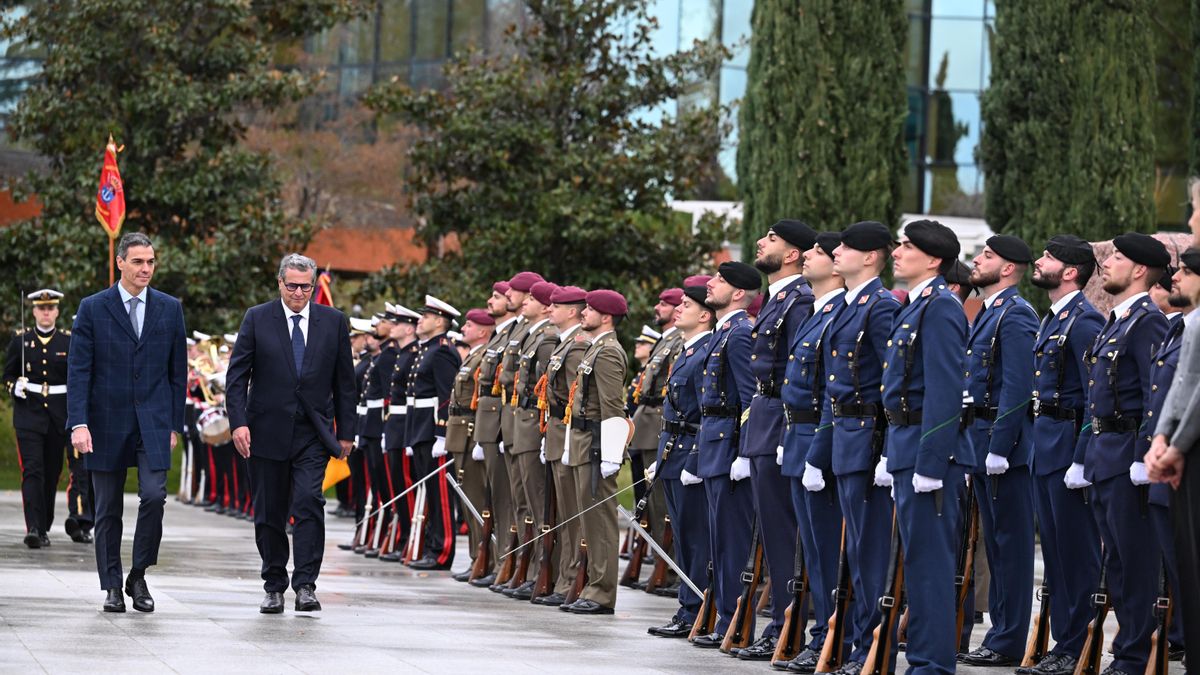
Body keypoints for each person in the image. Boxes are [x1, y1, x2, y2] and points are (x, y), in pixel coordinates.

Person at [225, 253, 356, 614]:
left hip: (313, 432)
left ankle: (306, 585)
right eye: (292, 285)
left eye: (306, 286)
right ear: (280, 283)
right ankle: (273, 583)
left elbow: (346, 381)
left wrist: (346, 432)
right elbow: (237, 377)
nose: (299, 292)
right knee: (269, 512)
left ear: (313, 286)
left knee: (309, 503)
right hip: (265, 430)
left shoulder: (333, 321)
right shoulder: (257, 318)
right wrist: (238, 423)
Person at [67, 232, 187, 613]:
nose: (145, 269)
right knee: (107, 509)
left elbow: (177, 373)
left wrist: (173, 424)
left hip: (152, 420)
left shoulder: (169, 309)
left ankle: (138, 574)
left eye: (151, 261)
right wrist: (78, 423)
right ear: (120, 262)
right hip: (104, 422)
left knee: (154, 496)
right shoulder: (93, 307)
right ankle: (112, 586)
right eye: (138, 261)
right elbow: (79, 371)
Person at [808, 221, 901, 674]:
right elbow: (832, 385)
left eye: (845, 247)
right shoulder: (849, 305)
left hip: (868, 439)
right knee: (857, 553)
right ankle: (855, 644)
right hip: (845, 437)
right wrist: (818, 452)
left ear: (869, 257)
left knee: (871, 554)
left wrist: (885, 449)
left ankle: (871, 648)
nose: (836, 252)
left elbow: (891, 381)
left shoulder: (880, 306)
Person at [881, 219, 974, 673]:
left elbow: (945, 388)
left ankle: (931, 665)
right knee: (916, 563)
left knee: (930, 565)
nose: (897, 252)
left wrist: (932, 461)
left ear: (934, 259)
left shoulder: (939, 307)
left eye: (906, 246)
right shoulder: (914, 306)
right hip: (905, 444)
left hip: (925, 450)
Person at [1082, 232, 1169, 675]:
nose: (1106, 263)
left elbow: (1156, 393)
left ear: (1138, 270)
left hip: (1126, 456)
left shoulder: (1147, 322)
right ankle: (1128, 650)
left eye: (1116, 257)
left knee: (1135, 563)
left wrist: (1142, 454)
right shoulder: (1116, 321)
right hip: (1104, 453)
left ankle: (1134, 657)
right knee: (1115, 560)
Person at [1019, 235, 1105, 675]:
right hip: (1045, 445)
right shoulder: (1055, 319)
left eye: (1049, 257)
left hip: (1068, 447)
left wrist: (1082, 456)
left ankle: (1076, 645)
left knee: (1075, 554)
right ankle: (1063, 642)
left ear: (1070, 271)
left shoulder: (1083, 322)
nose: (1039, 261)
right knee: (1055, 553)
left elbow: (1096, 396)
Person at [736, 220, 816, 660]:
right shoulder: (776, 300)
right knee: (772, 530)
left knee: (786, 532)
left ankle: (789, 625)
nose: (760, 242)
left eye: (770, 238)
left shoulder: (798, 300)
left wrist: (786, 430)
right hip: (764, 419)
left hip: (781, 421)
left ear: (791, 254)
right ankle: (782, 623)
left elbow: (799, 373)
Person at [958, 235, 1040, 667]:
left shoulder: (1015, 315)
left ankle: (1007, 639)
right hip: (983, 439)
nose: (977, 259)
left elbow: (1017, 388)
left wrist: (1001, 447)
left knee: (1011, 545)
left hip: (1004, 447)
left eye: (987, 256)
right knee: (997, 540)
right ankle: (1000, 635)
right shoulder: (991, 312)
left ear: (1008, 268)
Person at [778, 230, 849, 671]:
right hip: (798, 434)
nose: (807, 257)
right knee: (812, 549)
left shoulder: (839, 314)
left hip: (820, 440)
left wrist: (817, 454)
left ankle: (829, 633)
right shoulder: (814, 312)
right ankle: (820, 632)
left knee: (826, 549)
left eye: (819, 253)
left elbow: (831, 392)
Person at [691, 261, 760, 648]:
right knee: (719, 540)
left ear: (737, 293)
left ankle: (735, 622)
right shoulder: (723, 332)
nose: (710, 284)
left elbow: (749, 397)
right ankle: (722, 617)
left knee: (732, 540)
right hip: (714, 443)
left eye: (719, 280)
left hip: (729, 445)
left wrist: (743, 450)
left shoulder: (739, 334)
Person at [647, 283, 714, 638]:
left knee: (694, 536)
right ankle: (688, 608)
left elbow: (708, 411)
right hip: (673, 446)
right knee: (684, 535)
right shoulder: (688, 350)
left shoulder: (706, 352)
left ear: (705, 315)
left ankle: (698, 610)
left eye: (686, 305)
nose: (678, 309)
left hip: (690, 449)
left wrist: (696, 459)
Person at [560, 289, 629, 615]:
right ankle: (591, 585)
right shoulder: (594, 350)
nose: (583, 313)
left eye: (589, 309)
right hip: (583, 442)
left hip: (596, 446)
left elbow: (613, 407)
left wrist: (613, 455)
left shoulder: (608, 352)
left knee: (600, 524)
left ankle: (602, 593)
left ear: (606, 316)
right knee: (589, 522)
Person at [1147, 244, 1200, 672]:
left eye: (1183, 271)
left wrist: (1174, 445)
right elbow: (1178, 387)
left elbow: (1194, 393)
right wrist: (1162, 440)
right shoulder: (1183, 325)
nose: (1174, 279)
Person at [6, 289, 91, 547]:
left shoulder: (68, 341)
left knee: (52, 472)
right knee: (32, 470)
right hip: (29, 414)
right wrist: (14, 386)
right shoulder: (20, 341)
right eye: (41, 308)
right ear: (33, 311)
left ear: (56, 311)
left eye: (50, 308)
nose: (45, 312)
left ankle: (44, 524)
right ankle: (34, 527)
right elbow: (7, 375)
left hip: (59, 414)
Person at [529, 285, 590, 606]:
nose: (549, 309)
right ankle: (562, 579)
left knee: (570, 515)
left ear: (572, 311)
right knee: (561, 512)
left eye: (556, 306)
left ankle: (571, 579)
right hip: (554, 431)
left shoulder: (577, 346)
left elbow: (573, 398)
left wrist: (565, 438)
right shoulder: (565, 344)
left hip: (567, 433)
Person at [627, 288, 685, 586]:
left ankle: (671, 570)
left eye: (665, 303)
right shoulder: (666, 340)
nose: (657, 307)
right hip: (646, 424)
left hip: (658, 423)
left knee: (662, 505)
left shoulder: (678, 340)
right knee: (649, 504)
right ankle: (661, 567)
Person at [507, 280, 560, 600]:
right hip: (520, 421)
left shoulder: (546, 338)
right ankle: (527, 569)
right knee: (523, 501)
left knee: (539, 504)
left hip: (532, 422)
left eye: (531, 298)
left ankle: (543, 570)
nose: (524, 302)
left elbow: (546, 389)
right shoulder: (532, 335)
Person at [402, 296, 463, 571]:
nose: (420, 320)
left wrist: (441, 433)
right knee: (429, 492)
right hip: (421, 427)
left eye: (425, 316)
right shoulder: (427, 349)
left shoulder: (443, 351)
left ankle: (442, 551)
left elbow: (447, 395)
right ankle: (430, 546)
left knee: (439, 495)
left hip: (433, 430)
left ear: (439, 321)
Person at [471, 280, 519, 589]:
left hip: (506, 422)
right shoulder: (504, 336)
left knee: (506, 501)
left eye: (499, 297)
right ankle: (495, 560)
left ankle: (506, 560)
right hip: (491, 421)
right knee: (495, 499)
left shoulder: (516, 335)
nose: (492, 301)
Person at [448, 309, 495, 581]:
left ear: (483, 331)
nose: (464, 328)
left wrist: (479, 436)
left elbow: (479, 403)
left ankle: (484, 557)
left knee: (476, 499)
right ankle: (476, 557)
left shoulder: (483, 356)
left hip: (470, 432)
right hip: (459, 433)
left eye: (470, 324)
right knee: (467, 499)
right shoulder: (474, 355)